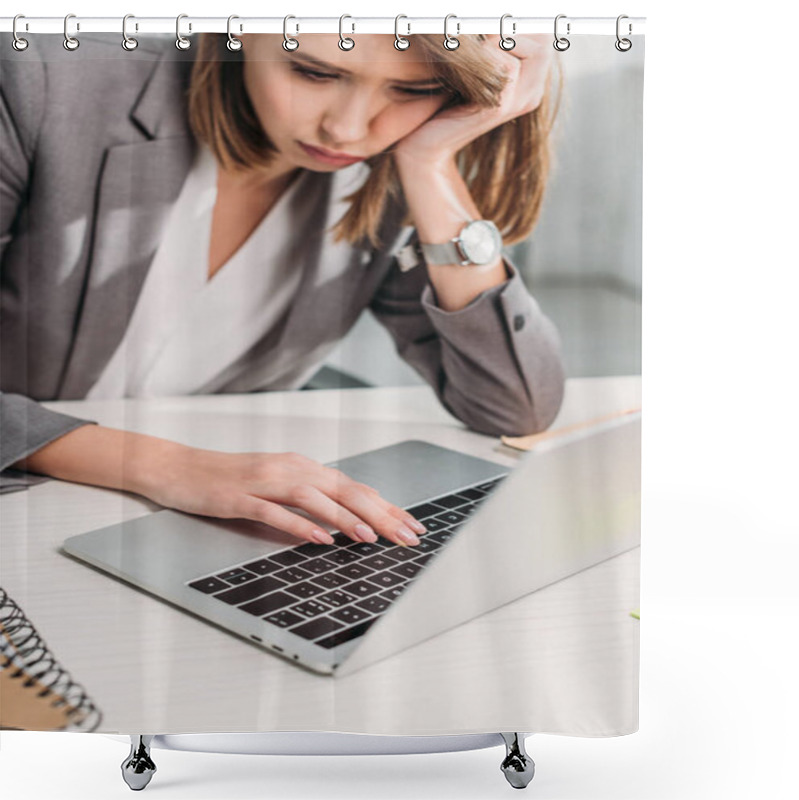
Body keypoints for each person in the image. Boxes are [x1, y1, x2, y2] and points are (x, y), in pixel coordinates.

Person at [0, 31, 566, 549]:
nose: (347, 128)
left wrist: (431, 164)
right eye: (312, 73)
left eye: (412, 88)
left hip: (188, 526)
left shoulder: (391, 167)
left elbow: (513, 405)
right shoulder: (39, 82)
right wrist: (168, 467)